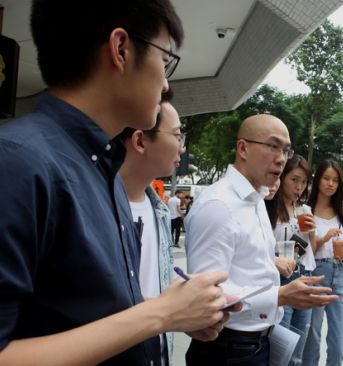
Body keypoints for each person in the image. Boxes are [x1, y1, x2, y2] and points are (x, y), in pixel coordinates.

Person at [0, 1, 230, 365]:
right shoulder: (16, 162)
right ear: (121, 49)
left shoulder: (103, 167)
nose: (166, 81)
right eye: (165, 58)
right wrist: (161, 315)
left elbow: (91, 312)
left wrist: (178, 312)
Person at [184, 114, 338, 365]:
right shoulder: (219, 205)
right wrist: (279, 296)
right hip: (228, 347)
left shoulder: (256, 199)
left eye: (286, 150)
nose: (281, 158)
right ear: (243, 148)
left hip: (259, 340)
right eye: (273, 146)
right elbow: (206, 295)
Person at [118, 91, 188, 364]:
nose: (182, 147)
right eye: (177, 136)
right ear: (140, 141)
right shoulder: (96, 205)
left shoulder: (158, 209)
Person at [266, 154, 318, 366]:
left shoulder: (304, 210)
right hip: (281, 279)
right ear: (283, 177)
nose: (299, 187)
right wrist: (277, 259)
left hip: (305, 276)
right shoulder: (269, 208)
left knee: (298, 349)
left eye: (304, 182)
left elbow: (309, 251)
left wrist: (313, 234)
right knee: (281, 345)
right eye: (294, 179)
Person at [303, 160, 343, 366]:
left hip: (339, 273)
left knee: (339, 342)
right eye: (326, 178)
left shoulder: (342, 213)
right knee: (312, 336)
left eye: (335, 180)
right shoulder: (306, 211)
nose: (330, 184)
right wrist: (323, 239)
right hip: (316, 272)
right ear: (318, 180)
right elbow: (306, 253)